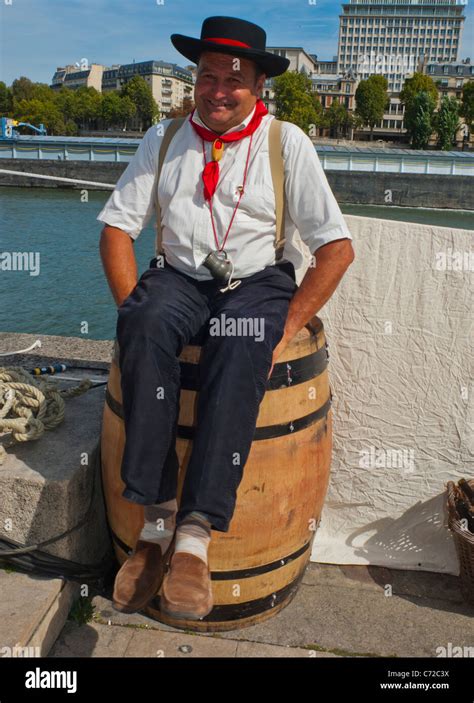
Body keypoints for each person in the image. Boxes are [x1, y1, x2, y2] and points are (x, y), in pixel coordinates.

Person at [98, 15, 355, 621]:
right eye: (206, 76)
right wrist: (135, 312)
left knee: (242, 347)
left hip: (254, 282)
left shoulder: (286, 142)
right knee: (146, 321)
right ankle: (155, 525)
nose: (217, 89)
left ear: (258, 86)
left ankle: (193, 539)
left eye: (232, 80)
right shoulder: (163, 139)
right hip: (179, 277)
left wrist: (284, 328)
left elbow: (335, 249)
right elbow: (115, 230)